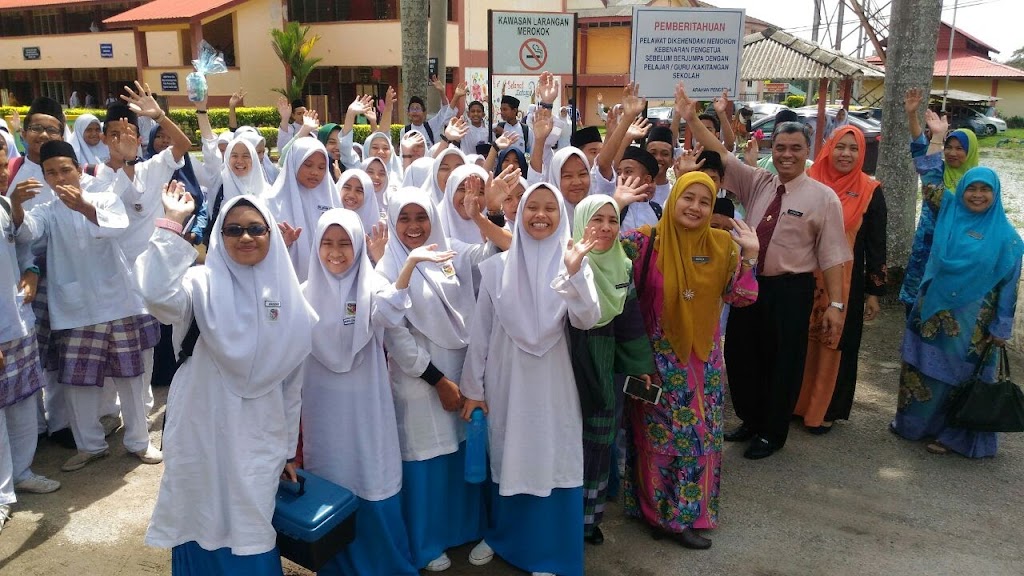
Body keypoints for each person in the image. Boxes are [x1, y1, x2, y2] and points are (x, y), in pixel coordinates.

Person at [138, 188, 314, 573]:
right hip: (201, 423)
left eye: (256, 228)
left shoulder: (291, 301)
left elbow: (291, 388)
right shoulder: (199, 285)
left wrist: (288, 452)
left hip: (259, 431)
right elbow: (156, 296)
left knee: (251, 518)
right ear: (219, 235)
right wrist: (171, 225)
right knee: (197, 509)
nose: (245, 237)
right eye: (233, 229)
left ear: (271, 234)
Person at [680, 82, 851, 460]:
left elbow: (833, 256)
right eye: (780, 147)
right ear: (772, 149)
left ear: (807, 152)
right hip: (750, 283)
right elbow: (721, 154)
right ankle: (751, 419)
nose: (787, 155)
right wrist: (691, 118)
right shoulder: (758, 182)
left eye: (795, 148)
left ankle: (772, 432)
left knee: (782, 362)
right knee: (742, 354)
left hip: (791, 290)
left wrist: (837, 306)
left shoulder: (823, 198)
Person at [460, 183, 600, 576]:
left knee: (551, 454)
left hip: (556, 382)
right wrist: (473, 389)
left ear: (562, 215)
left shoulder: (573, 261)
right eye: (531, 207)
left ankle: (549, 551)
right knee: (509, 452)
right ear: (519, 214)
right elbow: (481, 332)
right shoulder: (497, 268)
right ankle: (502, 536)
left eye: (550, 208)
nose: (540, 215)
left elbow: (587, 318)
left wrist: (574, 273)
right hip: (507, 379)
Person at [619, 172, 759, 549]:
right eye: (688, 198)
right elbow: (600, 258)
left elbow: (742, 297)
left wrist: (750, 256)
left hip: (703, 367)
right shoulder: (642, 242)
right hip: (652, 364)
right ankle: (657, 514)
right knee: (656, 441)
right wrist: (615, 205)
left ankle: (686, 515)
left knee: (700, 442)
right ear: (674, 198)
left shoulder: (722, 246)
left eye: (704, 201)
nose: (695, 207)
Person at [11, 140, 162, 472]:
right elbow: (26, 233)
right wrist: (17, 206)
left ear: (78, 170)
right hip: (73, 309)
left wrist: (83, 207)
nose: (60, 177)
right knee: (77, 383)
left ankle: (139, 441)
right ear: (45, 178)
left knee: (130, 377)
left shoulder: (103, 197)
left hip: (117, 302)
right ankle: (90, 446)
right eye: (51, 173)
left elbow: (117, 226)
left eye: (65, 170)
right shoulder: (47, 210)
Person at [374, 188, 490, 572]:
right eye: (404, 218)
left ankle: (462, 529)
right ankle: (426, 544)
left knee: (457, 454)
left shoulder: (448, 251)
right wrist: (439, 382)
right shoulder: (387, 268)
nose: (414, 226)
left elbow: (490, 256)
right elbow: (397, 338)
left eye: (421, 216)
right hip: (419, 383)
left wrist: (487, 214)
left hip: (460, 372)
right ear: (392, 221)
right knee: (426, 460)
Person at [300, 209, 417, 575]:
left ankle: (382, 565)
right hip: (321, 408)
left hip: (366, 404)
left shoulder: (373, 286)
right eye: (327, 243)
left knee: (370, 472)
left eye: (345, 243)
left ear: (358, 246)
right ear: (316, 247)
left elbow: (390, 312)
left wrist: (407, 265)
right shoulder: (302, 295)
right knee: (331, 474)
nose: (336, 252)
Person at [893, 167, 1021, 458]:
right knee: (923, 372)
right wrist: (935, 142)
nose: (977, 195)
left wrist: (1001, 328)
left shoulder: (1009, 240)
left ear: (996, 194)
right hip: (931, 311)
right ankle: (915, 427)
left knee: (962, 379)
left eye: (985, 189)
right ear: (962, 191)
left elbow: (1009, 289)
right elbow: (930, 179)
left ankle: (955, 438)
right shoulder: (950, 215)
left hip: (971, 325)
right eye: (971, 188)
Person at [563, 196, 656, 546]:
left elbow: (629, 321)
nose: (604, 227)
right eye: (596, 219)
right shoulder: (565, 260)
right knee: (564, 440)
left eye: (612, 220)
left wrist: (640, 366)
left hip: (604, 362)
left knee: (599, 441)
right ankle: (558, 518)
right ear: (580, 222)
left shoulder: (623, 265)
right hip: (565, 360)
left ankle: (588, 520)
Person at [795, 126, 888, 433]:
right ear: (829, 148)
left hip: (846, 285)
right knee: (798, 339)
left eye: (853, 148)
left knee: (835, 343)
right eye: (840, 146)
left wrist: (874, 292)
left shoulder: (870, 190)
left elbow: (876, 245)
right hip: (803, 277)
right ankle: (794, 402)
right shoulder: (808, 181)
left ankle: (825, 409)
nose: (846, 154)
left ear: (862, 153)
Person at [899, 88, 980, 314]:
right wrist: (912, 116)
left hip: (956, 253)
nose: (952, 153)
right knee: (915, 305)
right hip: (926, 249)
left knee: (946, 310)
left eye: (960, 148)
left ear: (971, 151)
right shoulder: (937, 170)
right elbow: (919, 148)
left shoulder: (978, 183)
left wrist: (936, 137)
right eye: (949, 147)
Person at [266, 138, 339, 282]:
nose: (315, 172)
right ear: (294, 162)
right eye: (308, 165)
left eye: (321, 167)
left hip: (327, 280)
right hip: (287, 282)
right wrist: (282, 242)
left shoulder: (332, 199)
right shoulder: (271, 203)